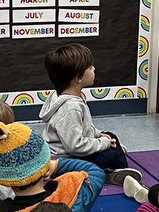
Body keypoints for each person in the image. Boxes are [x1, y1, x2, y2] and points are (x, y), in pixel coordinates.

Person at [39, 43, 143, 191]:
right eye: (90, 67)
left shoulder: (70, 96)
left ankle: (114, 161)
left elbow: (83, 128)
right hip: (64, 160)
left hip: (73, 150)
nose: (94, 69)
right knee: (111, 155)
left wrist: (98, 134)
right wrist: (103, 143)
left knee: (110, 136)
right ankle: (116, 170)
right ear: (78, 78)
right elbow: (75, 146)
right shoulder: (70, 107)